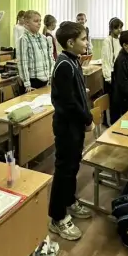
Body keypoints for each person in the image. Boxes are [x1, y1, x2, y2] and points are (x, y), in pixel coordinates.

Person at [48, 21, 94, 241]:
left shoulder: (73, 60)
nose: (86, 43)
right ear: (70, 42)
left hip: (74, 125)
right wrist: (87, 119)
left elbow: (79, 95)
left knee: (73, 165)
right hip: (67, 126)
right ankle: (57, 217)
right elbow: (69, 103)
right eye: (83, 39)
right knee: (64, 170)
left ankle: (69, 200)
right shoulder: (64, 65)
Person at [17, 10, 54, 93]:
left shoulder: (44, 38)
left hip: (46, 80)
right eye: (36, 21)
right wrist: (27, 84)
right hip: (32, 82)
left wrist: (51, 76)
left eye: (40, 21)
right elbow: (23, 63)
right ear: (27, 23)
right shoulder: (23, 39)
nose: (39, 23)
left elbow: (50, 58)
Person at [101, 17, 124, 99]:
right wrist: (108, 77)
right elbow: (106, 60)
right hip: (111, 73)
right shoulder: (107, 40)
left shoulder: (120, 39)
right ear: (111, 28)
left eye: (121, 27)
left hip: (118, 71)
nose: (119, 30)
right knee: (111, 98)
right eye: (116, 28)